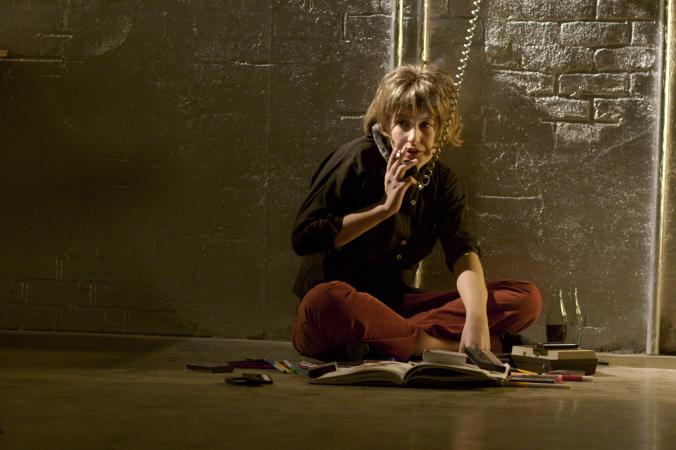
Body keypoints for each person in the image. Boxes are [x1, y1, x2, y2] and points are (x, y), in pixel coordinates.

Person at [290, 64, 541, 362]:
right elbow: (304, 238)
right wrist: (384, 209)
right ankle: (437, 345)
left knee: (525, 299)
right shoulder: (357, 159)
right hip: (340, 310)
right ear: (386, 125)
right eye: (403, 123)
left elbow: (462, 249)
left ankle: (386, 343)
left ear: (440, 130)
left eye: (425, 125)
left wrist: (476, 318)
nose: (414, 138)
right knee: (325, 302)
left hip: (396, 308)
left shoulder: (441, 179)